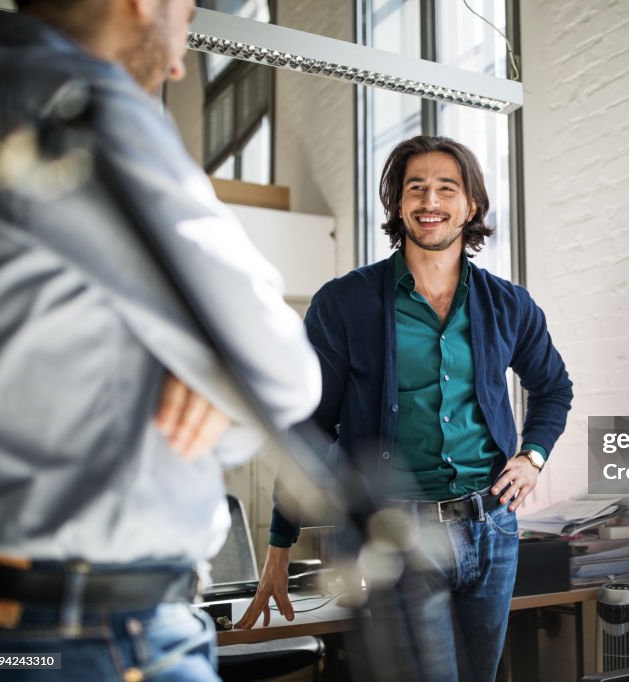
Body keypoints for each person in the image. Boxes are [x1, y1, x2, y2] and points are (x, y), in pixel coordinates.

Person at [0, 1, 321, 680]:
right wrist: (221, 388)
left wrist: (204, 372)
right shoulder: (68, 96)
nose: (178, 60)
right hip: (95, 634)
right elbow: (280, 370)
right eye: (185, 18)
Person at [236, 135, 574, 681]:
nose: (429, 201)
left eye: (447, 188)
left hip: (492, 530)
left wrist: (532, 456)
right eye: (415, 188)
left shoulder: (509, 304)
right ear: (397, 203)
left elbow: (553, 386)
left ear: (472, 206)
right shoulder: (345, 302)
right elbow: (306, 428)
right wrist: (279, 544)